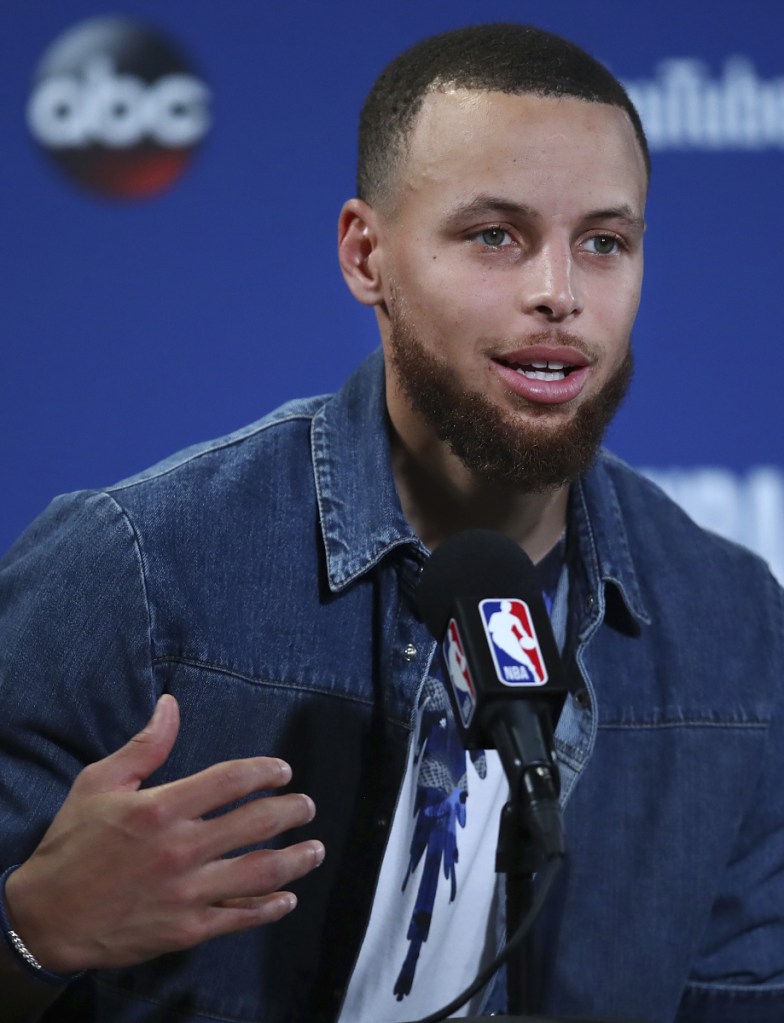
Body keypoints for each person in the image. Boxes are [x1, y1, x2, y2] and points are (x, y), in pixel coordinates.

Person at [1, 22, 782, 1023]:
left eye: (604, 242)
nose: (559, 293)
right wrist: (31, 935)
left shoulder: (733, 623)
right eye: (494, 235)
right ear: (365, 255)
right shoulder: (138, 571)